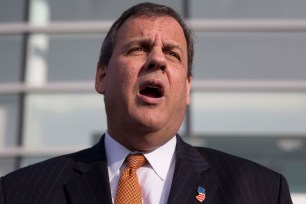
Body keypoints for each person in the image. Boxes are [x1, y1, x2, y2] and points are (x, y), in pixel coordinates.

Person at [0, 2, 292, 204]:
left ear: (187, 88)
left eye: (172, 53)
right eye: (138, 48)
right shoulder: (19, 192)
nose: (157, 60)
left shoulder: (262, 191)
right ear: (102, 76)